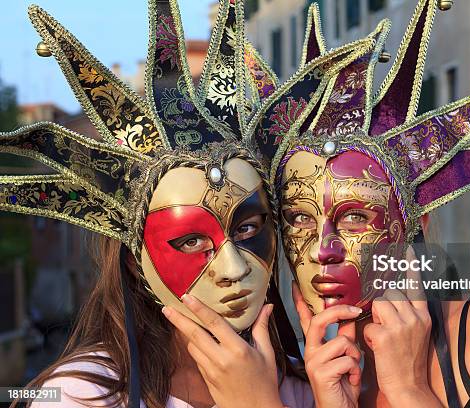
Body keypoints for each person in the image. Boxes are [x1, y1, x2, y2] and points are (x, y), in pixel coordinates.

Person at [250, 0, 470, 406]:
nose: (326, 249)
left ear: (418, 225)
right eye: (300, 218)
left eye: (356, 217)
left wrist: (410, 389)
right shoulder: (315, 382)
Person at [2, 1, 314, 407]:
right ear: (136, 263)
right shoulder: (84, 397)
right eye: (190, 241)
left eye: (247, 228)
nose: (233, 270)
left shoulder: (302, 384)